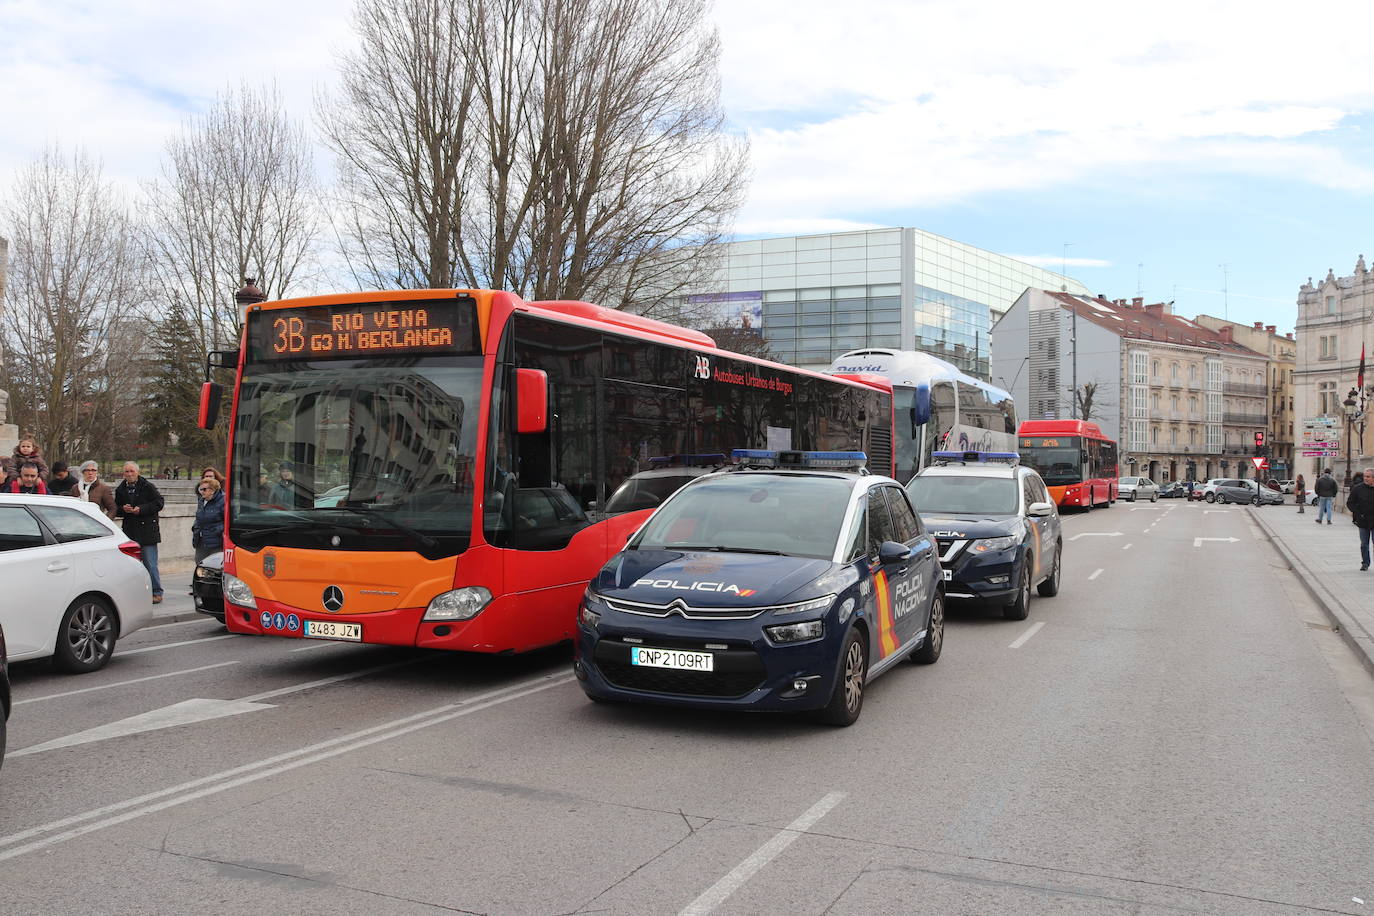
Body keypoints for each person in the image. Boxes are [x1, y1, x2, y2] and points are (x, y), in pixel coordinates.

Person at [115, 461, 165, 604]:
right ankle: (137, 592)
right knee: (132, 566)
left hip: (147, 531)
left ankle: (156, 592)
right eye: (126, 472)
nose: (129, 474)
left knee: (150, 563)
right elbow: (116, 508)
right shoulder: (120, 489)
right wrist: (123, 509)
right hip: (131, 531)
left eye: (132, 471)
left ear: (138, 472)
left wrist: (141, 509)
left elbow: (159, 503)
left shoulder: (147, 486)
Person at [192, 477, 225, 563]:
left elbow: (228, 522)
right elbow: (198, 519)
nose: (202, 491)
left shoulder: (223, 501)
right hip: (201, 542)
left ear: (212, 490)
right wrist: (195, 529)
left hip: (216, 543)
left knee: (214, 567)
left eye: (204, 489)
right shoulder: (201, 501)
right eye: (200, 489)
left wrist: (216, 530)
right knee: (200, 566)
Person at [1348, 468, 1374, 571]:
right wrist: (1358, 514)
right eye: (1365, 476)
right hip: (1363, 520)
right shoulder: (1357, 489)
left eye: (1368, 477)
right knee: (1364, 544)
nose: (1365, 478)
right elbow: (1350, 503)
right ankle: (1365, 563)